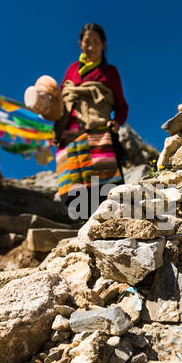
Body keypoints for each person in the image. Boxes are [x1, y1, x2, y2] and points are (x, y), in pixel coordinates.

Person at [54, 23, 128, 220]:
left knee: (104, 188)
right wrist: (57, 128)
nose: (91, 47)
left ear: (103, 45)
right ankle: (79, 232)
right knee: (72, 188)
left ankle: (108, 228)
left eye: (96, 42)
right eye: (87, 42)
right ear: (80, 44)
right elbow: (61, 103)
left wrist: (117, 122)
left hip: (98, 135)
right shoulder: (72, 70)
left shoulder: (109, 72)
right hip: (69, 137)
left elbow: (121, 105)